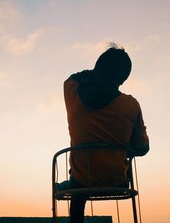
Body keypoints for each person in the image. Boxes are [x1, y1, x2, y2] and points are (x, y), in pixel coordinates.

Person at [62, 44, 149, 223]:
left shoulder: (71, 91)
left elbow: (73, 77)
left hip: (81, 180)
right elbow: (142, 148)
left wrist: (95, 73)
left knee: (77, 191)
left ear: (97, 69)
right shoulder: (131, 105)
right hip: (117, 179)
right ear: (123, 79)